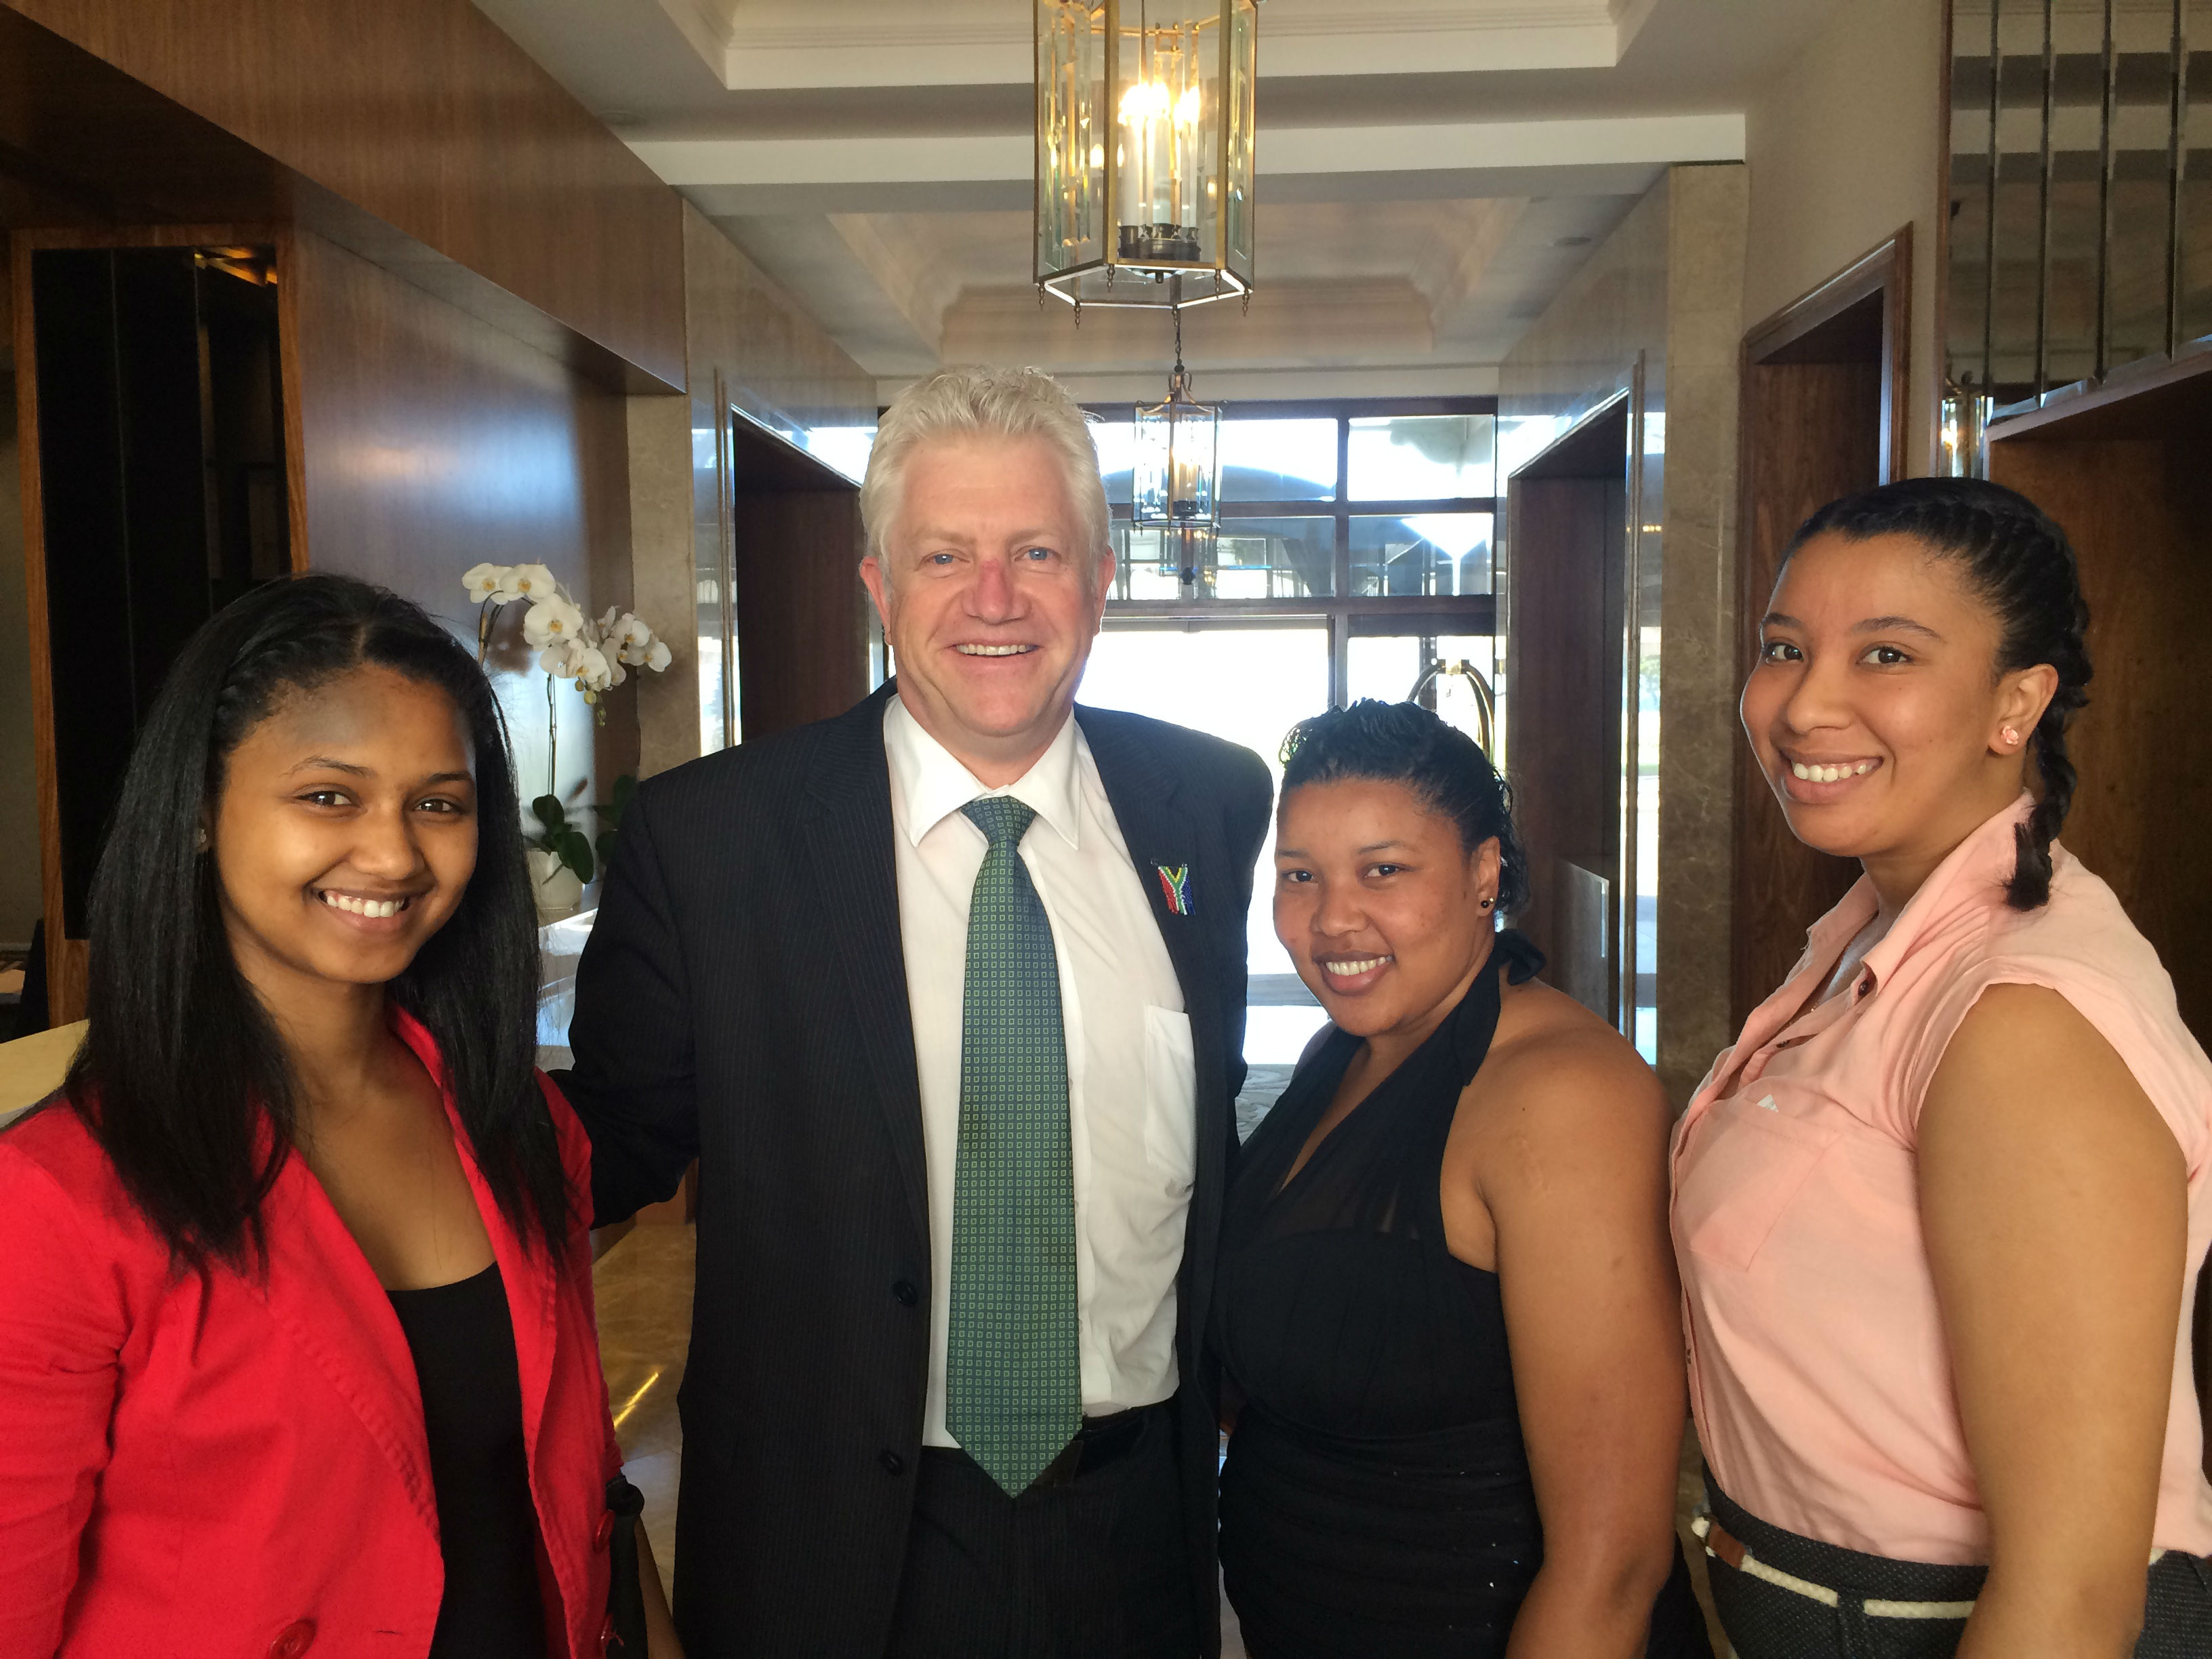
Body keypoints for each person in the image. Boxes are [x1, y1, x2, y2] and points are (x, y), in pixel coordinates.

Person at [559, 364, 1275, 1658]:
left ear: (1101, 578)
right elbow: (604, 1142)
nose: (994, 599)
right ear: (880, 588)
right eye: (945, 555)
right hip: (826, 1551)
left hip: (1136, 1537)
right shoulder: (715, 840)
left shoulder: (1209, 805)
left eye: (1036, 551)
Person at [0, 575, 678, 1658]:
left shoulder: (517, 1126)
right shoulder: (55, 1200)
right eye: (329, 796)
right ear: (198, 812)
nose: (395, 854)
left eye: (439, 803)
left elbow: (580, 1493)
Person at [1673, 477, 2212, 1656]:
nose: (1805, 703)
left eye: (1885, 655)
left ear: (2016, 702)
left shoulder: (2020, 1020)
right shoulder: (1875, 935)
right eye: (1785, 647)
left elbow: (2072, 1593)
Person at [1212, 699, 1711, 1659]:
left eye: (1384, 871)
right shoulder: (1344, 1052)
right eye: (1299, 876)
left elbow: (1612, 1564)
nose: (1331, 919)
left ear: (1485, 872)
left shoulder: (1565, 1097)